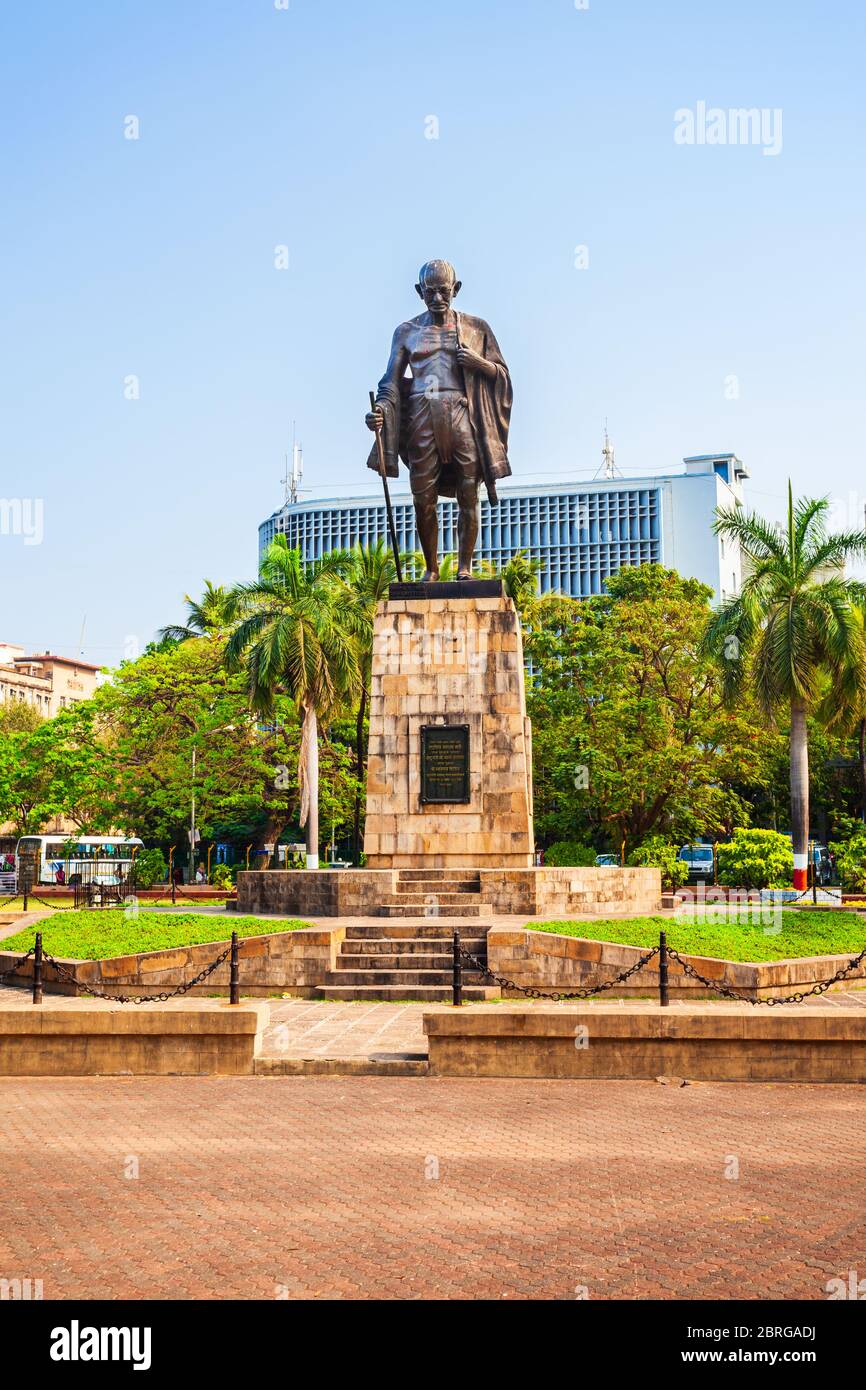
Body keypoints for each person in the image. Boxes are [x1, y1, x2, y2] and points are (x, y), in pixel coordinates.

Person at [365, 259, 512, 580]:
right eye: (429, 292)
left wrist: (478, 363)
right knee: (422, 497)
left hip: (462, 414)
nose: (437, 299)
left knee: (468, 491)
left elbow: (502, 376)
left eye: (443, 292)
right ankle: (431, 569)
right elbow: (389, 381)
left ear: (455, 289)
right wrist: (382, 412)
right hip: (421, 417)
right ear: (419, 292)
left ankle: (464, 568)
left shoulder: (477, 328)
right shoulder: (406, 332)